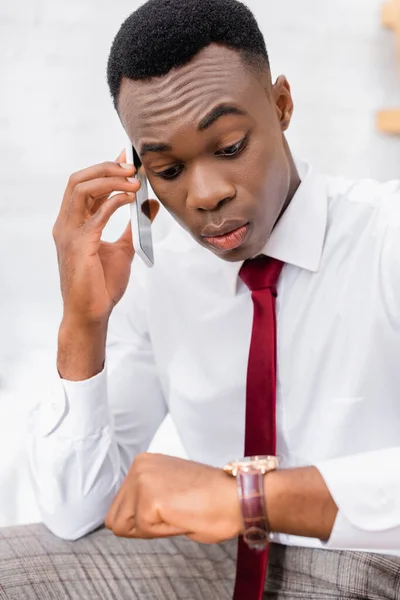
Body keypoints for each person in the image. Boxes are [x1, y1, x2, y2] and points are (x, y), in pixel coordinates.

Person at [27, 0, 400, 598]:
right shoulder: (159, 273)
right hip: (225, 561)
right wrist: (83, 323)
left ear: (281, 105)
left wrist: (250, 499)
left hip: (374, 559)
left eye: (228, 147)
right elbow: (76, 513)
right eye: (168, 169)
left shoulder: (387, 235)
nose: (205, 194)